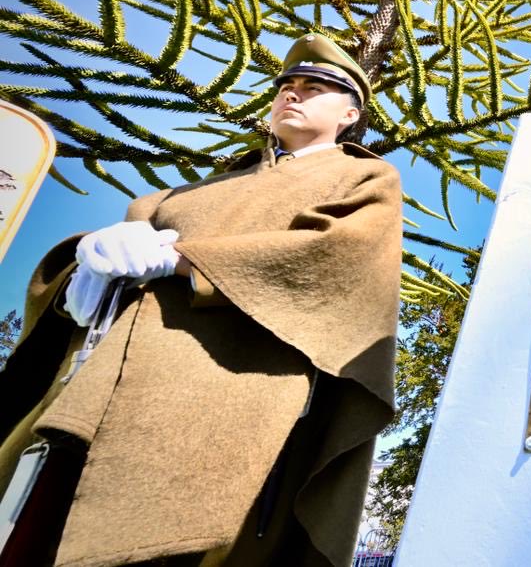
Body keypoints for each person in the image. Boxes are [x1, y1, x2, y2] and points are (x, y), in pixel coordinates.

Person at [0, 33, 403, 566]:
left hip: (217, 410)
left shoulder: (365, 177)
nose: (293, 95)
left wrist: (185, 261)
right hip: (91, 393)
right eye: (286, 86)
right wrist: (81, 270)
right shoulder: (195, 189)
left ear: (350, 112)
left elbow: (335, 257)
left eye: (314, 87)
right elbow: (133, 232)